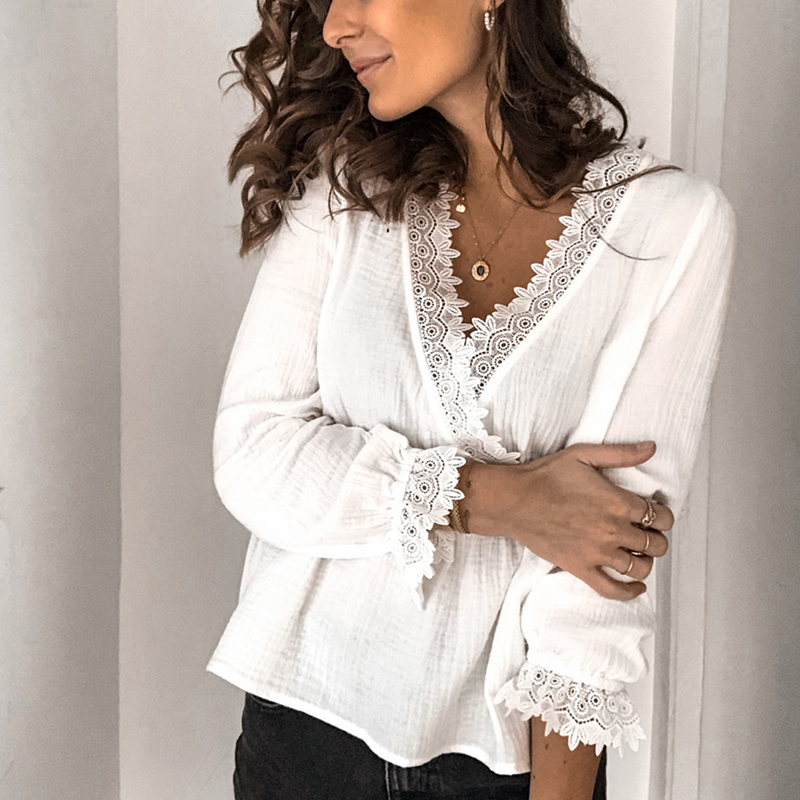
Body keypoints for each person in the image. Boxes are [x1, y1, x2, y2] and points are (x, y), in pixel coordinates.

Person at [205, 1, 736, 798]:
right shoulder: (343, 193)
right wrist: (500, 499)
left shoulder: (671, 227)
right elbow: (254, 454)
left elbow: (602, 569)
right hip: (302, 733)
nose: (336, 27)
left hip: (506, 764)